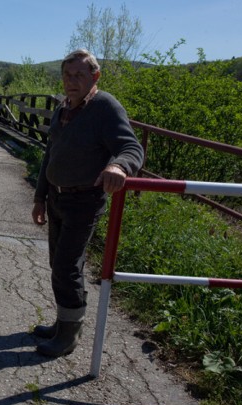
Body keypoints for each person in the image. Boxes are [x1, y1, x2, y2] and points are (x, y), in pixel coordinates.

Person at [31, 49, 144, 357]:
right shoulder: (62, 108)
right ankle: (62, 323)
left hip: (84, 200)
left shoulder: (104, 107)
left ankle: (69, 336)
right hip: (56, 197)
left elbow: (131, 147)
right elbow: (50, 156)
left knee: (67, 267)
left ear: (95, 77)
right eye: (67, 75)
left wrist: (119, 166)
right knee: (58, 264)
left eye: (79, 75)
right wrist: (40, 197)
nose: (72, 81)